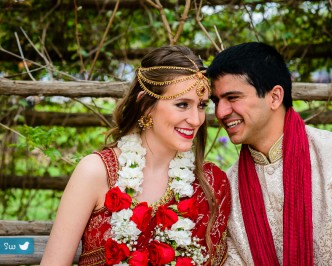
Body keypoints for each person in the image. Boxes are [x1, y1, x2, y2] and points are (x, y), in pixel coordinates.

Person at [207, 42, 332, 265]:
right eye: (216, 101)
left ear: (274, 97)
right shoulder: (228, 187)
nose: (220, 112)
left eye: (232, 98)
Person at [41, 45, 231, 266]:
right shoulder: (96, 172)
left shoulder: (210, 183)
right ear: (145, 105)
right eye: (182, 105)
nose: (196, 119)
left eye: (201, 106)